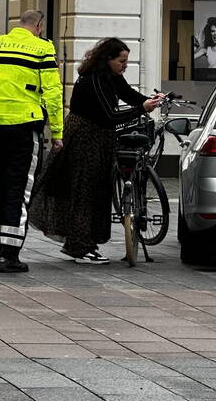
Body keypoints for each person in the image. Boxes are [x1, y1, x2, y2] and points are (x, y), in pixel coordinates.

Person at [29, 38, 163, 264]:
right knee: (85, 191)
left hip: (99, 137)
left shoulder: (110, 76)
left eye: (126, 61)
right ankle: (80, 247)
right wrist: (141, 108)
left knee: (95, 190)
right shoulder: (94, 79)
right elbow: (109, 115)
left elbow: (128, 93)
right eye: (121, 61)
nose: (125, 65)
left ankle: (82, 243)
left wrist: (148, 100)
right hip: (85, 139)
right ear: (107, 59)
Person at [0, 9, 63, 273]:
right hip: (23, 128)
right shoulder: (42, 49)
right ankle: (9, 255)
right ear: (39, 26)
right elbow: (53, 93)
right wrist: (57, 132)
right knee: (18, 190)